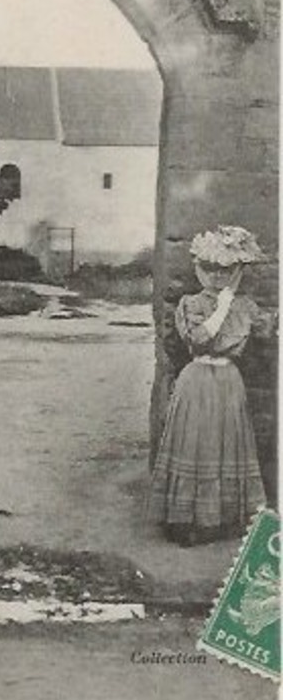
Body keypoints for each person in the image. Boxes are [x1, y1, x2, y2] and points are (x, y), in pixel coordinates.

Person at [149, 225, 273, 545]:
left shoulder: (245, 306)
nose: (217, 277)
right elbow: (199, 339)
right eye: (210, 269)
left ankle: (218, 519)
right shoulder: (191, 303)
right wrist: (221, 307)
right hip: (198, 380)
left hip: (229, 381)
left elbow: (267, 331)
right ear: (200, 269)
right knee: (196, 443)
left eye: (226, 270)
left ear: (237, 271)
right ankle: (185, 518)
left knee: (224, 444)